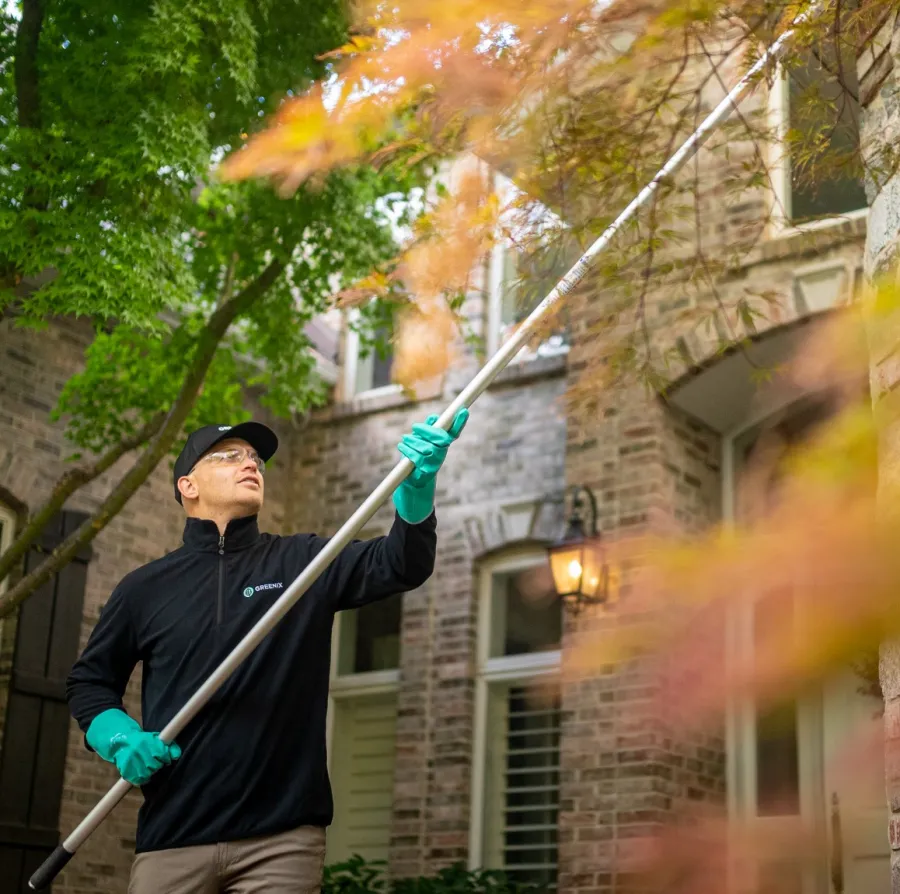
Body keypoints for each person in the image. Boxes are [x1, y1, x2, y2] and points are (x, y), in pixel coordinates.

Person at [65, 410, 468, 894]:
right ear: (187, 485)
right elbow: (90, 683)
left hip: (281, 842)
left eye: (255, 457)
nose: (251, 463)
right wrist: (118, 737)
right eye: (229, 456)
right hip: (173, 835)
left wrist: (416, 495)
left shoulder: (302, 563)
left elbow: (401, 564)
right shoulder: (143, 590)